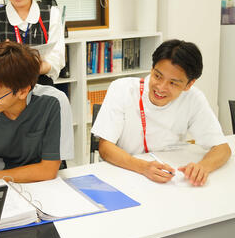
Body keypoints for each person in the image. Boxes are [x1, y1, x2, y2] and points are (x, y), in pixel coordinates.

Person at [92, 39, 231, 186]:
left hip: (168, 178)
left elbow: (222, 148)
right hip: (125, 172)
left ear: (189, 84)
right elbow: (105, 147)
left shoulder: (193, 99)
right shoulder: (122, 89)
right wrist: (143, 167)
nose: (160, 87)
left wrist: (203, 167)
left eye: (173, 83)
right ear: (152, 69)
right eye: (157, 76)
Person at [0, 41, 74, 185]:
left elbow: (48, 170)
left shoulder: (54, 102)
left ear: (23, 91)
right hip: (2, 185)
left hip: (47, 185)